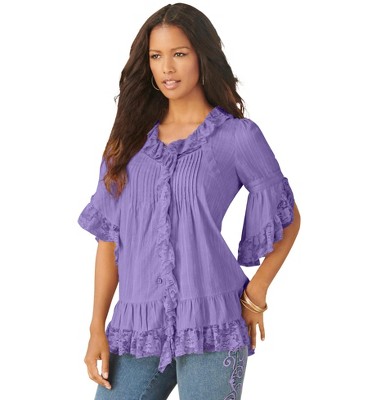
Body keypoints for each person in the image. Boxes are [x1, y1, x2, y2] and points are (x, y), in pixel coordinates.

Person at [77, 3, 301, 399]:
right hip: (137, 327)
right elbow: (109, 240)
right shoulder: (126, 143)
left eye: (179, 54)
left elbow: (288, 215)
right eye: (156, 56)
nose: (167, 68)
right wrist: (97, 326)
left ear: (202, 55)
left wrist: (256, 294)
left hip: (213, 320)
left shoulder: (237, 136)